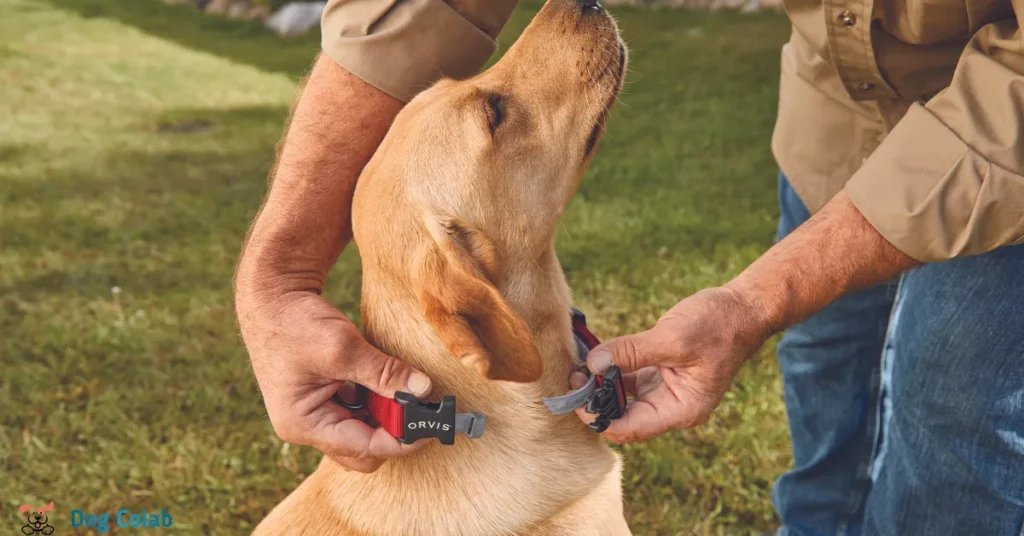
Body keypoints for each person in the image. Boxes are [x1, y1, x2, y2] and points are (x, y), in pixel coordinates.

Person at [234, 0, 1024, 533]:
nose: (558, 14)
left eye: (489, 107)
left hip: (1006, 134)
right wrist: (278, 275)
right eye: (494, 110)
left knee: (950, 417)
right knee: (824, 373)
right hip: (839, 109)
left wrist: (753, 304)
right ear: (475, 309)